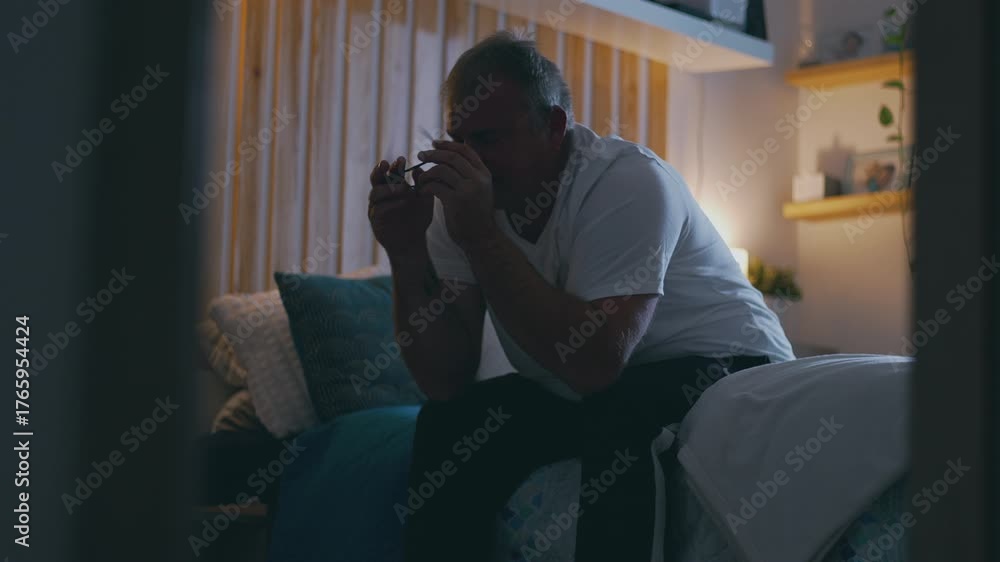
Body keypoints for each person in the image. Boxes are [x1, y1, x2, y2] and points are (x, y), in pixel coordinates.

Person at [366, 32, 794, 562]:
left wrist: (481, 237)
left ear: (553, 127)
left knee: (618, 411)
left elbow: (596, 362)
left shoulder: (626, 182)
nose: (472, 161)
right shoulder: (462, 205)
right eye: (460, 140)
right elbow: (444, 381)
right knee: (451, 423)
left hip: (733, 366)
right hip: (590, 386)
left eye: (490, 139)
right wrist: (407, 252)